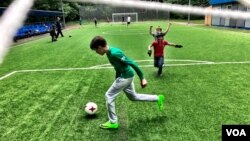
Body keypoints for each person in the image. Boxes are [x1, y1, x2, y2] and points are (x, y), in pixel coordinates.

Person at [90, 36, 165, 129]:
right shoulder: (109, 53)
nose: (96, 53)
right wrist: (116, 78)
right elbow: (118, 67)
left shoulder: (114, 53)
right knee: (133, 97)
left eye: (95, 50)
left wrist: (142, 78)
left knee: (109, 95)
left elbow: (132, 63)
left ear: (99, 47)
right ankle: (157, 98)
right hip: (125, 76)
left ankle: (113, 122)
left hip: (125, 77)